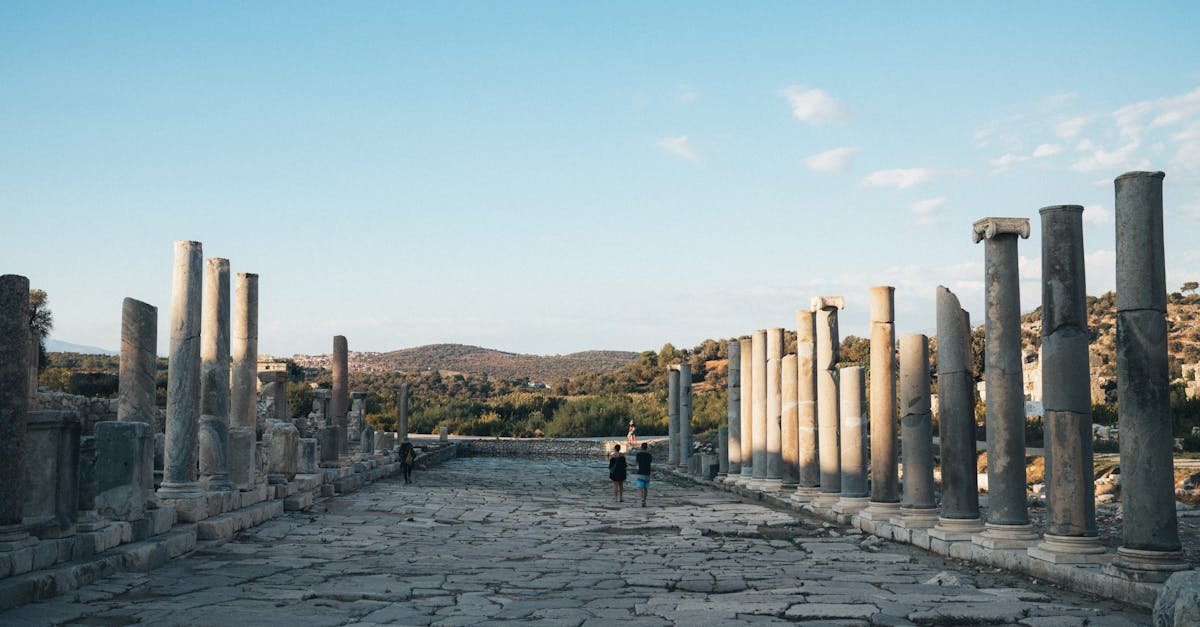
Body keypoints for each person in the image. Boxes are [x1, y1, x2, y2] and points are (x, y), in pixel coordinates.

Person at [635, 442, 652, 507]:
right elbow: (650, 462)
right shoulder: (649, 455)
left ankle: (642, 499)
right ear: (646, 448)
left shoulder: (638, 454)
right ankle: (644, 500)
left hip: (640, 472)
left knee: (640, 487)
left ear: (641, 447)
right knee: (645, 488)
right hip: (647, 472)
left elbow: (637, 463)